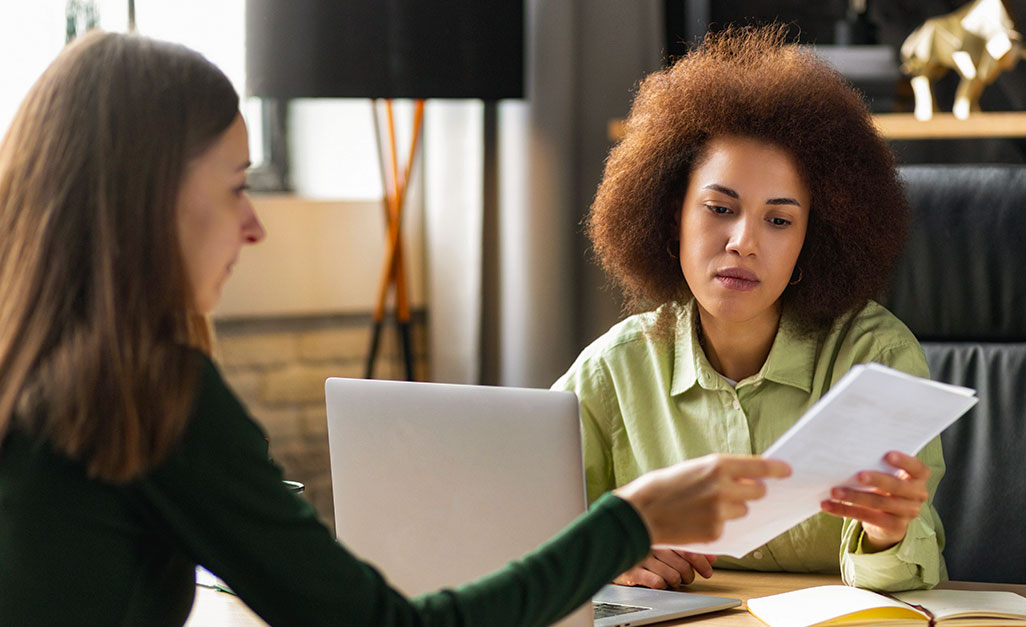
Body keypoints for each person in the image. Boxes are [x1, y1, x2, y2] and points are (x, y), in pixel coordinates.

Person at [0, 32, 791, 627]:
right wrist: (634, 518)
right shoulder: (146, 394)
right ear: (146, 197)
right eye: (237, 187)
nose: (253, 227)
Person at [554, 26, 946, 593]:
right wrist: (606, 553)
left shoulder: (876, 359)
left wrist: (886, 534)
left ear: (813, 239)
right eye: (719, 208)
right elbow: (532, 527)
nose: (744, 241)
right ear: (671, 217)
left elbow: (915, 567)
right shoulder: (612, 370)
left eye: (780, 220)